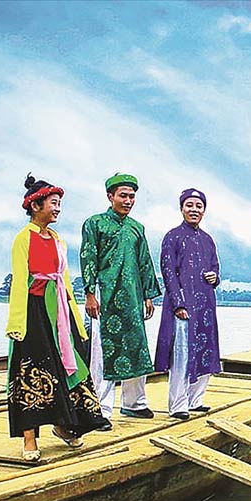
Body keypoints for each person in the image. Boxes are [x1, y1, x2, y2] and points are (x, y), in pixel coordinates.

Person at [6, 174, 107, 461]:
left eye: (60, 203)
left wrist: (75, 319)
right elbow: (19, 281)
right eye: (53, 203)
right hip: (35, 310)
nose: (58, 208)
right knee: (32, 368)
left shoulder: (57, 239)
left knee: (68, 366)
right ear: (36, 206)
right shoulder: (23, 239)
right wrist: (17, 323)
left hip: (60, 311)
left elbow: (63, 279)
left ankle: (65, 427)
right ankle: (29, 439)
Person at [80, 173, 161, 429]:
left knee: (136, 349)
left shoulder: (137, 228)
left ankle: (134, 403)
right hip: (106, 296)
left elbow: (144, 261)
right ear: (110, 196)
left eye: (131, 196)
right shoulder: (95, 224)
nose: (128, 200)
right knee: (102, 353)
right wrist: (90, 293)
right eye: (123, 195)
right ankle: (100, 410)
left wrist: (148, 294)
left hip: (134, 297)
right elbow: (88, 257)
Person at [154, 188, 221, 420]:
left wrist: (215, 277)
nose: (194, 210)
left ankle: (196, 399)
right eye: (189, 205)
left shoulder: (208, 239)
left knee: (206, 351)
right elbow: (168, 272)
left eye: (198, 206)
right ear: (182, 208)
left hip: (205, 305)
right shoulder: (172, 237)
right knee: (182, 354)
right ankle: (178, 404)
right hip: (183, 304)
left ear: (204, 210)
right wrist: (177, 304)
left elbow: (215, 266)